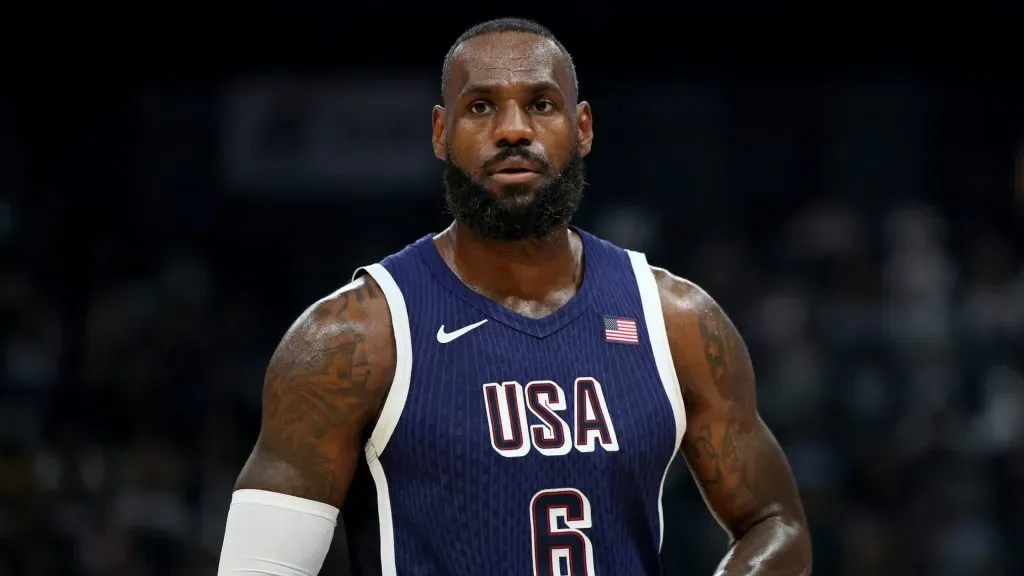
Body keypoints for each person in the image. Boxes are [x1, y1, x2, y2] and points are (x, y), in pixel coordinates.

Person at [217, 17, 812, 576]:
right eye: (481, 107)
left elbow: (775, 522)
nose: (513, 129)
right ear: (440, 133)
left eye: (540, 105)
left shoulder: (675, 320)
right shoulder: (351, 337)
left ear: (581, 128)